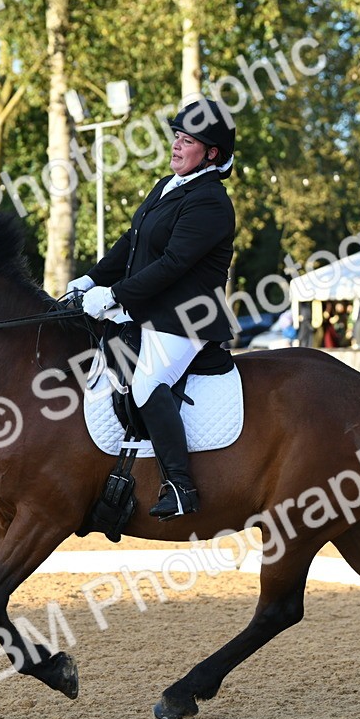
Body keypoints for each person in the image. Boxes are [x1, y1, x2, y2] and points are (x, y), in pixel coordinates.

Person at [69, 98, 236, 521]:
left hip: (185, 317)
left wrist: (116, 296)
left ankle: (180, 487)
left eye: (188, 141)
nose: (176, 147)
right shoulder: (167, 186)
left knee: (147, 384)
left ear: (211, 153)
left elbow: (174, 263)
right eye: (176, 138)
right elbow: (130, 242)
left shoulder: (210, 200)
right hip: (149, 311)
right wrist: (91, 279)